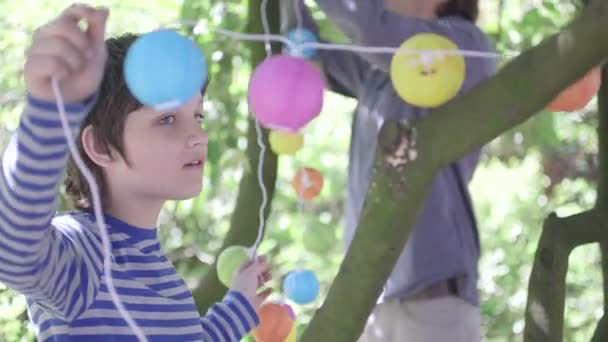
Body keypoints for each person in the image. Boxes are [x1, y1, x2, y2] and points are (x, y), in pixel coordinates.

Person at [0, 4, 271, 341]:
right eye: (167, 119)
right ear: (100, 146)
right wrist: (48, 111)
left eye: (198, 116)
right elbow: (14, 251)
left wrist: (239, 309)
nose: (199, 136)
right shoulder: (86, 253)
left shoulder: (157, 269)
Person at [288, 0, 497, 340]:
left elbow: (370, 26)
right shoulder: (381, 68)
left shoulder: (464, 44)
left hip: (434, 301)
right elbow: (313, 56)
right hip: (374, 303)